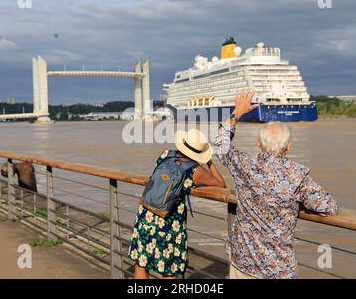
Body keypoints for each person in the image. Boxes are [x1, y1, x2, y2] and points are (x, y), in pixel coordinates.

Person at [212, 89, 338, 279]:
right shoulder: (297, 176)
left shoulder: (244, 166)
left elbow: (219, 144)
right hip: (276, 270)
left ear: (258, 144)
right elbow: (329, 207)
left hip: (242, 262)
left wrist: (237, 111)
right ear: (288, 147)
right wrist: (296, 201)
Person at [128, 128, 226, 279]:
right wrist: (209, 161)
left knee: (142, 264)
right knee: (169, 269)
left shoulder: (165, 154)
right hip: (169, 220)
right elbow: (221, 184)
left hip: (146, 213)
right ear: (198, 153)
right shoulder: (195, 171)